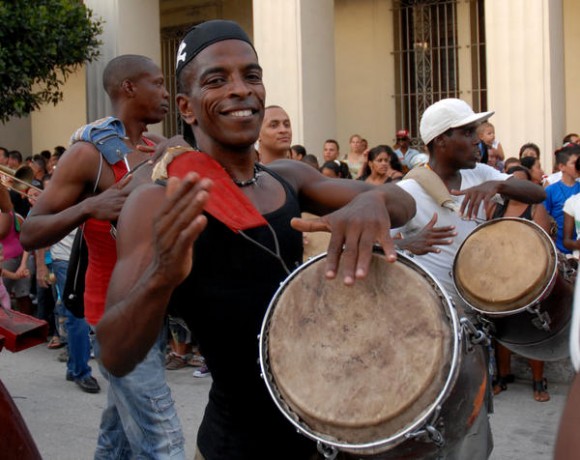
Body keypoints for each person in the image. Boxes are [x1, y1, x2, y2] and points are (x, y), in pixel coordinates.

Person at [95, 20, 414, 460]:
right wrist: (161, 277)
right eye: (216, 80)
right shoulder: (158, 202)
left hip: (342, 430)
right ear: (186, 108)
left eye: (252, 75)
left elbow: (403, 202)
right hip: (239, 444)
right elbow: (114, 354)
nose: (241, 89)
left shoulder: (289, 177)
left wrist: (371, 201)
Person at [20, 54, 186, 458]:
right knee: (163, 440)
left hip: (154, 306)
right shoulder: (88, 153)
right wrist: (87, 208)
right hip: (114, 313)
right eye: (157, 83)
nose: (166, 94)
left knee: (119, 435)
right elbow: (30, 231)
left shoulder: (157, 149)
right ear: (129, 87)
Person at [391, 98, 546, 458]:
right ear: (441, 140)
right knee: (430, 425)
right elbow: (374, 245)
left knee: (473, 427)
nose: (478, 139)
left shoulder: (482, 174)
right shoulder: (409, 192)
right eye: (466, 132)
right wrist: (406, 242)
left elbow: (538, 192)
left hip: (473, 327)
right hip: (430, 329)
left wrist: (499, 187)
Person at [487, 165, 551, 402]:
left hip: (529, 277)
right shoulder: (495, 208)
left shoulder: (535, 208)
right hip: (500, 278)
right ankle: (503, 376)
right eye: (511, 182)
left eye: (521, 182)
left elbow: (543, 246)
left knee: (532, 328)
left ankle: (538, 381)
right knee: (501, 329)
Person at [543, 144, 580, 255]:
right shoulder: (550, 190)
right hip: (559, 249)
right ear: (561, 167)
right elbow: (544, 218)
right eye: (574, 163)